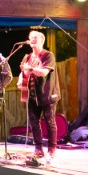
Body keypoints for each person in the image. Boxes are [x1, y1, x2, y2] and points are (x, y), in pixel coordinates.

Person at [17, 30, 60, 159]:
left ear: (42, 40)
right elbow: (23, 72)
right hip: (32, 95)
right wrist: (20, 80)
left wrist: (30, 69)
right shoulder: (27, 57)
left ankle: (52, 149)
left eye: (35, 37)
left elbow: (43, 72)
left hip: (47, 94)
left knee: (50, 122)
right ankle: (38, 149)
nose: (32, 39)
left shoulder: (48, 55)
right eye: (31, 37)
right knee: (34, 123)